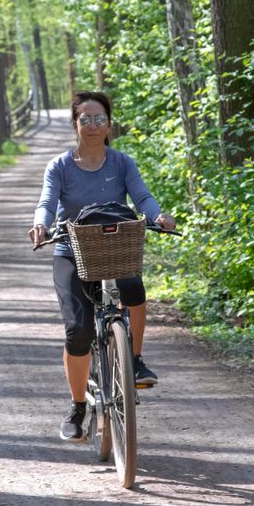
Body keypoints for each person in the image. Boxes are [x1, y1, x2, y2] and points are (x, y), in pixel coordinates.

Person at [28, 91, 176, 442]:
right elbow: (47, 202)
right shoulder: (60, 166)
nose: (93, 126)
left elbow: (141, 196)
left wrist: (157, 214)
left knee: (134, 289)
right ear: (75, 124)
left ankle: (134, 359)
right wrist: (40, 224)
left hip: (114, 246)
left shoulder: (122, 163)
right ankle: (78, 406)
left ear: (109, 123)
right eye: (85, 120)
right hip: (71, 249)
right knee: (77, 329)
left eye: (99, 119)